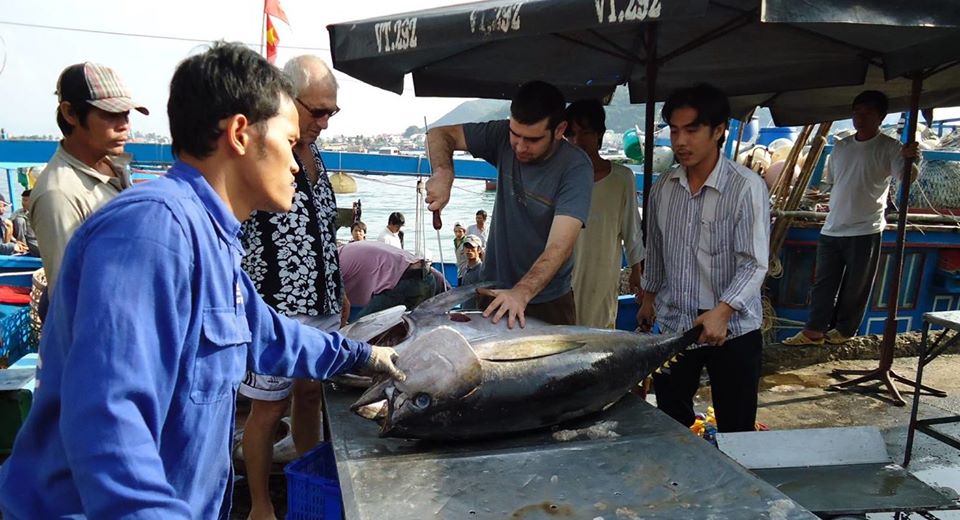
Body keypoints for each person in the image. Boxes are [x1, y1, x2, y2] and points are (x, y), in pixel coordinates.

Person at [0, 42, 403, 520]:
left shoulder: (214, 242)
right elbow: (109, 426)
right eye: (289, 143)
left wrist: (367, 355)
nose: (297, 163)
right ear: (239, 134)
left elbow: (272, 335)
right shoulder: (152, 232)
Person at [236, 54, 347, 520]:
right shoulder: (263, 149)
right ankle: (260, 504)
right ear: (286, 97)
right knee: (267, 407)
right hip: (276, 308)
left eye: (331, 113)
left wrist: (338, 288)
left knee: (309, 396)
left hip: (321, 300)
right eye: (316, 110)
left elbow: (324, 228)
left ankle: (308, 476)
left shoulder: (315, 151)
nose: (323, 121)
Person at [637, 83, 769, 433]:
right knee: (670, 419)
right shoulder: (663, 189)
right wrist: (648, 300)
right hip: (677, 323)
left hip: (735, 327)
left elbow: (754, 262)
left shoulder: (746, 187)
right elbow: (657, 252)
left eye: (692, 130)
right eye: (675, 131)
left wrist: (722, 311)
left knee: (736, 426)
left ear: (719, 130)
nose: (681, 141)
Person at [426, 80, 593, 328]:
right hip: (491, 289)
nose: (520, 146)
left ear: (559, 130)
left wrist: (521, 292)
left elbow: (559, 246)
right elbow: (439, 134)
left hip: (547, 301)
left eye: (532, 140)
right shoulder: (502, 136)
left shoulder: (576, 168)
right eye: (515, 134)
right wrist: (443, 171)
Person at [784, 90, 920, 347]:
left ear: (880, 116)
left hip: (865, 227)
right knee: (823, 283)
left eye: (867, 112)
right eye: (857, 111)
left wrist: (912, 159)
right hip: (833, 226)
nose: (860, 117)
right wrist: (820, 195)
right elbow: (832, 182)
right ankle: (814, 330)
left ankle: (845, 331)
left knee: (855, 286)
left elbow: (907, 178)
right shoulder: (842, 145)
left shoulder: (890, 147)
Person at [30, 62, 147, 295]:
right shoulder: (59, 195)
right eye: (110, 114)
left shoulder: (113, 166)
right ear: (70, 113)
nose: (124, 125)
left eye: (125, 114)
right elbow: (69, 299)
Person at [565, 99, 644, 329]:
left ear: (599, 134)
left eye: (586, 132)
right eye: (572, 134)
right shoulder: (559, 179)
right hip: (561, 279)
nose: (577, 140)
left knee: (597, 336)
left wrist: (636, 271)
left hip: (601, 275)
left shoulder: (621, 178)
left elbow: (632, 229)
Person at [340, 240, 437, 318]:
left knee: (358, 329)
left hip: (402, 282)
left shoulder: (334, 266)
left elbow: (345, 306)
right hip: (428, 277)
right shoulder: (351, 249)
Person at [11, 190, 38, 256]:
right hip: (22, 241)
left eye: (26, 200)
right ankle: (23, 249)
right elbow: (8, 225)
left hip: (35, 240)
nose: (23, 203)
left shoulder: (39, 213)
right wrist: (14, 240)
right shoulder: (18, 213)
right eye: (23, 200)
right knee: (19, 220)